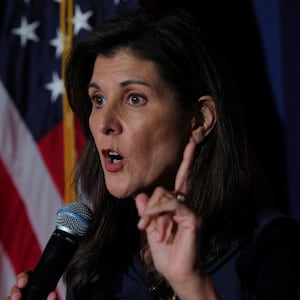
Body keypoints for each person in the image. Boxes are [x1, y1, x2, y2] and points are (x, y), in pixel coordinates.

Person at [6, 7, 300, 300]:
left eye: (134, 98)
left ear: (199, 119)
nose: (104, 124)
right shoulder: (95, 266)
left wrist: (191, 285)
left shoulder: (272, 251)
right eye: (98, 99)